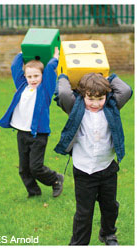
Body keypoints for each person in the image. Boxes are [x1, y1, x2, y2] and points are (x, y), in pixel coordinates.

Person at [54, 72, 133, 245]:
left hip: (107, 168)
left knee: (110, 207)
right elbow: (65, 94)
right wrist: (64, 77)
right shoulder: (75, 107)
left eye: (100, 98)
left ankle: (108, 235)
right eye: (90, 98)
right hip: (84, 171)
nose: (95, 104)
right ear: (82, 95)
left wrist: (108, 77)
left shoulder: (112, 107)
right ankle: (79, 243)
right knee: (84, 212)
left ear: (107, 95)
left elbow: (126, 90)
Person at [0, 47, 64, 198]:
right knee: (24, 169)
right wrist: (23, 52)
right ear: (25, 77)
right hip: (22, 133)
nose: (33, 79)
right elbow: (15, 67)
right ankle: (34, 192)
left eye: (36, 76)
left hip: (38, 134)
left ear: (41, 76)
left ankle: (55, 179)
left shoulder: (45, 90)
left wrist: (55, 57)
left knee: (35, 167)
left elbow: (48, 71)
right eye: (30, 76)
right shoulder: (22, 86)